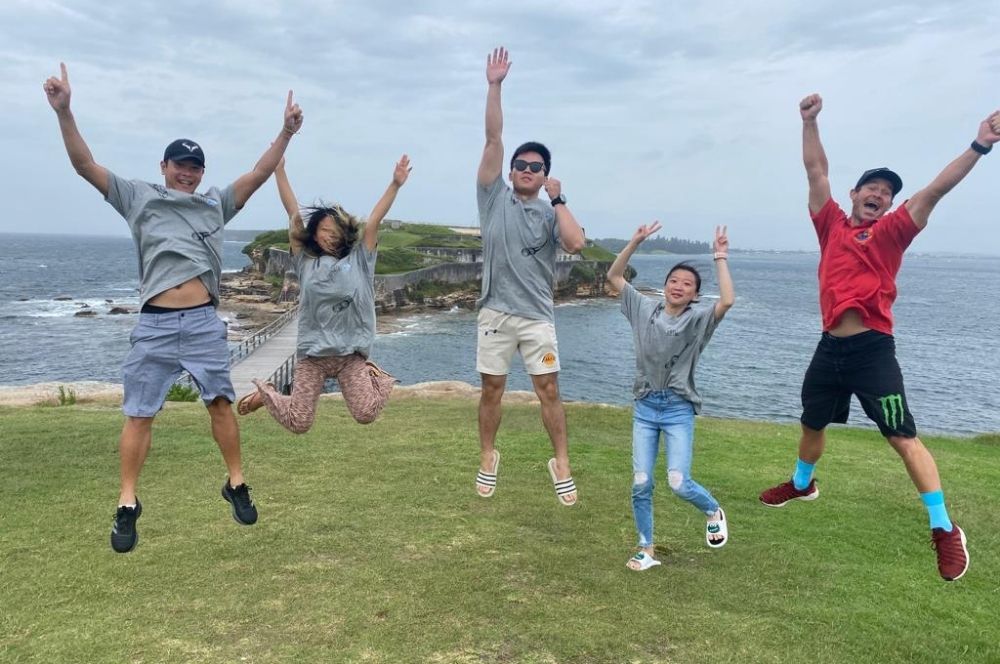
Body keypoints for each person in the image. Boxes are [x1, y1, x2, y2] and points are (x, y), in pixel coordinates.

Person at [44, 62, 303, 553]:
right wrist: (65, 112)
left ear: (202, 173)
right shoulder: (137, 196)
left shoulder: (214, 204)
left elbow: (260, 172)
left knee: (220, 403)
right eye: (179, 164)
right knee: (140, 414)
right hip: (157, 324)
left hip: (204, 320)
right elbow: (84, 165)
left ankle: (236, 482)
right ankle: (127, 503)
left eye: (195, 166)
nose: (187, 172)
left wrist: (286, 132)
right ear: (163, 167)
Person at [759, 93, 1000, 581]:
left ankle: (944, 527)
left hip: (872, 352)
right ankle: (803, 485)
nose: (879, 195)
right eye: (871, 188)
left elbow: (935, 190)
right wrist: (809, 123)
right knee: (811, 422)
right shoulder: (829, 225)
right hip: (829, 349)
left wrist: (980, 144)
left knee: (902, 436)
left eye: (886, 193)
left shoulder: (893, 231)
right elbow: (816, 172)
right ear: (853, 193)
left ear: (890, 205)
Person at [473, 47, 587, 506]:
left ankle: (561, 461)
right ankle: (487, 456)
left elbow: (576, 243)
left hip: (537, 317)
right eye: (520, 165)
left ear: (545, 177)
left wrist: (559, 201)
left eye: (535, 167)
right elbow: (493, 140)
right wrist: (495, 85)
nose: (524, 170)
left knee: (549, 389)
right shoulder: (493, 198)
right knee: (491, 389)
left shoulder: (549, 212)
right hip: (495, 313)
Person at [235, 155, 409, 433]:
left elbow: (374, 221)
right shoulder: (305, 262)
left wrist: (395, 184)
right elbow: (293, 215)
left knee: (366, 414)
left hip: (351, 354)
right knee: (299, 423)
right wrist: (279, 171)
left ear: (344, 233)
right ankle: (266, 394)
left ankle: (377, 376)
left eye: (334, 231)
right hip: (312, 355)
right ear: (313, 236)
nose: (328, 236)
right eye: (322, 231)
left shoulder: (361, 260)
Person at [607, 223, 735, 570]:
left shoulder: (698, 321)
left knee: (678, 482)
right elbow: (615, 276)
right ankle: (646, 549)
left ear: (694, 295)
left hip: (678, 408)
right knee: (640, 482)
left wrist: (720, 256)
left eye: (687, 284)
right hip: (645, 406)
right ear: (664, 286)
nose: (678, 287)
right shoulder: (643, 309)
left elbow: (726, 300)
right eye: (673, 281)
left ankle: (712, 509)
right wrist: (634, 240)